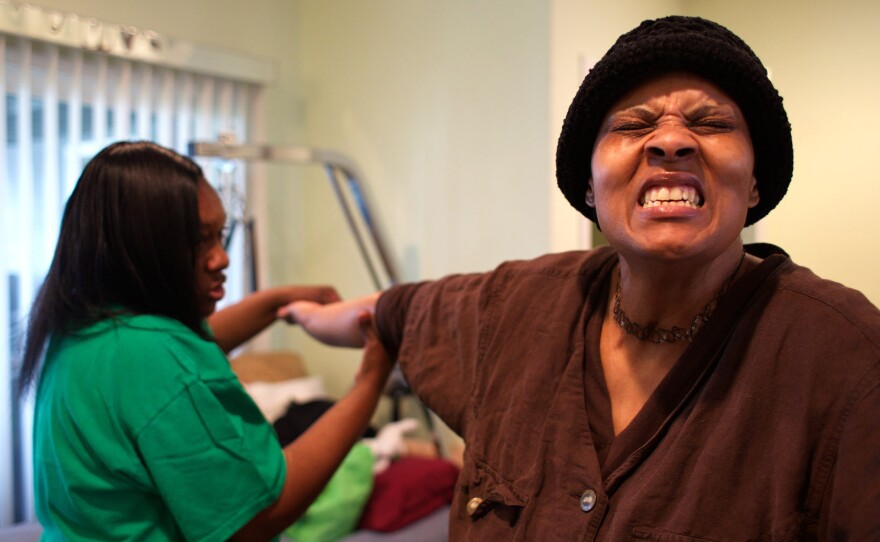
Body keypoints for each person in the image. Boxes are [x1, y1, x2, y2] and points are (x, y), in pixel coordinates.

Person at [280, 16, 880, 541]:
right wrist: (301, 315)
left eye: (711, 122)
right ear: (589, 188)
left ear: (755, 183)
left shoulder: (846, 358)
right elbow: (393, 311)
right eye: (634, 125)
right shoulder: (514, 307)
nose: (671, 140)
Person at [18, 140, 393, 541]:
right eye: (201, 240)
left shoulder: (82, 333)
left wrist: (277, 302)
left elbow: (193, 346)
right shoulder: (155, 357)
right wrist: (370, 381)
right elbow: (259, 516)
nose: (222, 258)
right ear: (142, 249)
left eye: (221, 235)